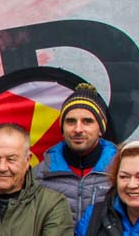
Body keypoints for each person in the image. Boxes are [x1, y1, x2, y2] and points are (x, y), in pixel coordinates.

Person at [36, 83, 116, 220]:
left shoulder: (119, 172)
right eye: (71, 121)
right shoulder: (40, 174)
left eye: (87, 121)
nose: (78, 129)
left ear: (101, 128)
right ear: (62, 128)